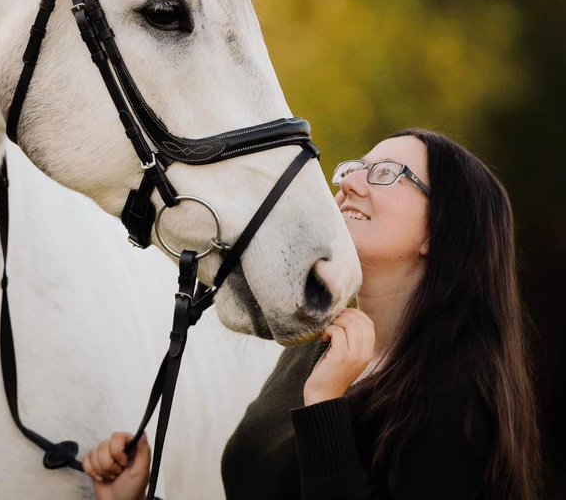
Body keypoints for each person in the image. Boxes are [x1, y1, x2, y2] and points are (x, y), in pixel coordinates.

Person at [82, 129, 542, 499]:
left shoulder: (459, 409)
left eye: (386, 173)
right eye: (353, 168)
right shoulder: (313, 350)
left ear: (442, 233)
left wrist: (325, 404)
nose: (348, 183)